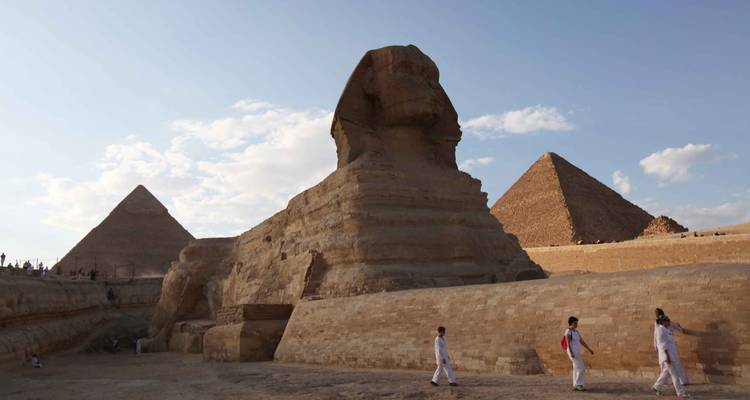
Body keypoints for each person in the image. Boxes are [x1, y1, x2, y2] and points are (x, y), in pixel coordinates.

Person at [653, 316, 690, 398]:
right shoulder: (660, 330)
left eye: (668, 320)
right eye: (667, 320)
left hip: (672, 355)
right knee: (675, 374)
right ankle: (680, 393)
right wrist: (667, 356)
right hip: (667, 356)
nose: (669, 321)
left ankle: (657, 386)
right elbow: (662, 344)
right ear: (662, 322)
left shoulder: (668, 329)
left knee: (666, 373)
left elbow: (677, 329)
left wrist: (678, 325)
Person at [565, 316, 594, 391]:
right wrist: (571, 352)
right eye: (575, 323)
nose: (576, 324)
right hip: (572, 352)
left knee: (576, 368)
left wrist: (589, 349)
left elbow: (581, 341)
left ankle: (575, 384)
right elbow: (568, 343)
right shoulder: (568, 331)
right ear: (571, 323)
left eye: (577, 323)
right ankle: (579, 384)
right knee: (581, 368)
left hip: (577, 352)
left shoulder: (576, 331)